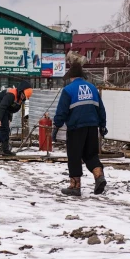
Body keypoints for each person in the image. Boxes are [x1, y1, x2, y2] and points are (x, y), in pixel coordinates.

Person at [52, 62, 108, 196]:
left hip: (76, 128)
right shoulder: (93, 88)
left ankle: (75, 186)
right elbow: (101, 109)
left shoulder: (68, 90)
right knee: (91, 154)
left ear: (71, 76)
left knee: (74, 156)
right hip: (92, 127)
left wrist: (56, 126)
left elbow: (62, 111)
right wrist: (102, 125)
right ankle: (99, 176)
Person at [0, 80, 33, 156]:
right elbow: (3, 106)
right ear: (21, 91)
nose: (23, 97)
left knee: (5, 128)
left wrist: (9, 119)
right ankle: (3, 149)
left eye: (25, 97)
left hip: (3, 110)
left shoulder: (19, 99)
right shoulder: (11, 95)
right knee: (5, 129)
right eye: (23, 95)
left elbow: (10, 108)